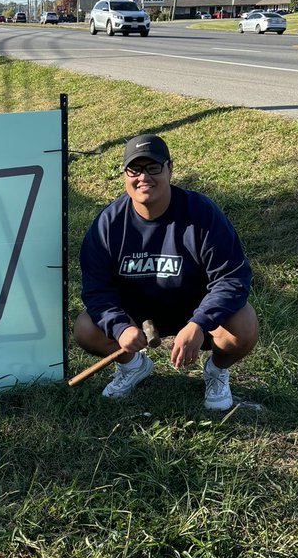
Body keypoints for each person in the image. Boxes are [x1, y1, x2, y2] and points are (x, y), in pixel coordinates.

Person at [73, 133, 258, 409]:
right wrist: (121, 328)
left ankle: (217, 372)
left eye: (153, 167)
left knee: (244, 324)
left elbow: (232, 278)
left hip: (194, 311)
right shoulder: (107, 225)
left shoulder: (202, 214)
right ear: (124, 175)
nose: (143, 177)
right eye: (134, 169)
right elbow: (96, 290)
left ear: (170, 169)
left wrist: (199, 323)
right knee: (85, 328)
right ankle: (133, 366)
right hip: (135, 315)